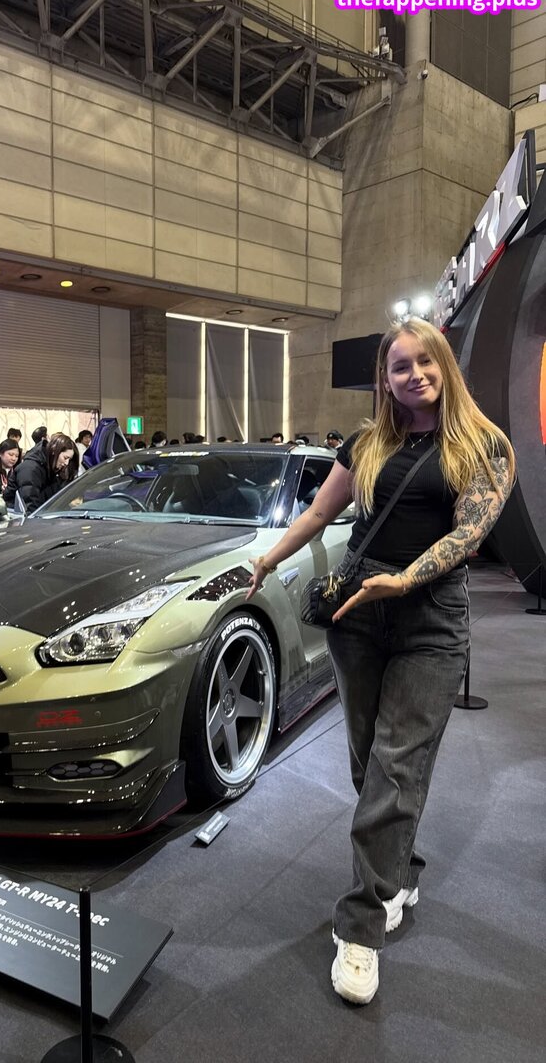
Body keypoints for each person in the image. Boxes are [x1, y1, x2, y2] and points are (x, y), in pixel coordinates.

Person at [246, 318, 514, 1006]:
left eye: (425, 361)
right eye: (400, 366)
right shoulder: (366, 444)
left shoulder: (484, 444)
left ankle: (361, 925)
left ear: (444, 365)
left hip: (431, 620)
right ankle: (399, 870)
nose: (414, 374)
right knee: (370, 764)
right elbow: (317, 515)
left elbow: (469, 534)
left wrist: (405, 579)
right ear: (385, 379)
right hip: (357, 616)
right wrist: (268, 559)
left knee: (397, 765)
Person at [10, 432, 77, 513]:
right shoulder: (31, 469)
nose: (66, 463)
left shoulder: (50, 469)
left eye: (69, 459)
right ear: (54, 451)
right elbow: (30, 506)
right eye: (65, 458)